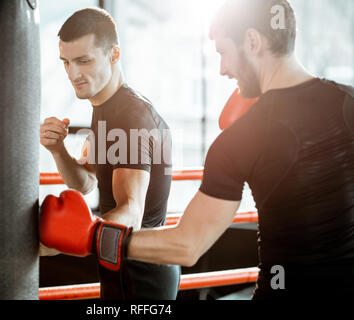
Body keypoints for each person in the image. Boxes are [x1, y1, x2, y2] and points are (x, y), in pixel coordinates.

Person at [40, 0, 354, 300]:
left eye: (223, 52)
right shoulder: (347, 101)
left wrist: (91, 235)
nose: (221, 69)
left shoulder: (239, 139)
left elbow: (186, 246)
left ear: (253, 42)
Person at [39, 8, 180, 300]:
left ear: (114, 54)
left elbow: (131, 212)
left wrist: (67, 239)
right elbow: (86, 182)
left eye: (83, 61)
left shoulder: (130, 116)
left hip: (142, 275)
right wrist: (58, 150)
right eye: (65, 62)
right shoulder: (105, 110)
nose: (72, 73)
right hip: (121, 266)